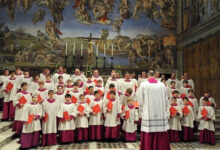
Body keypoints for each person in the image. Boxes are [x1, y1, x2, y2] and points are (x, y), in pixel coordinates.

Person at [137, 70, 170, 150]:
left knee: (149, 130)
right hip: (160, 113)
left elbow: (140, 100)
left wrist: (141, 110)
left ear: (148, 76)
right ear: (155, 75)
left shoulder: (143, 84)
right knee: (160, 131)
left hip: (149, 113)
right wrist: (166, 111)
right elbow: (166, 100)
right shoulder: (162, 85)